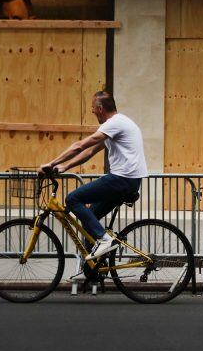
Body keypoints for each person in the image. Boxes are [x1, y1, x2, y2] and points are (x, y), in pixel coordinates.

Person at [40, 91, 148, 260]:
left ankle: (105, 240)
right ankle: (92, 270)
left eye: (92, 108)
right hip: (128, 181)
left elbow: (80, 146)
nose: (91, 111)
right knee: (91, 216)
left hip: (122, 179)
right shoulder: (119, 124)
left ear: (99, 109)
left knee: (73, 199)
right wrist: (64, 166)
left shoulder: (114, 123)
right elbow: (90, 152)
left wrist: (51, 163)